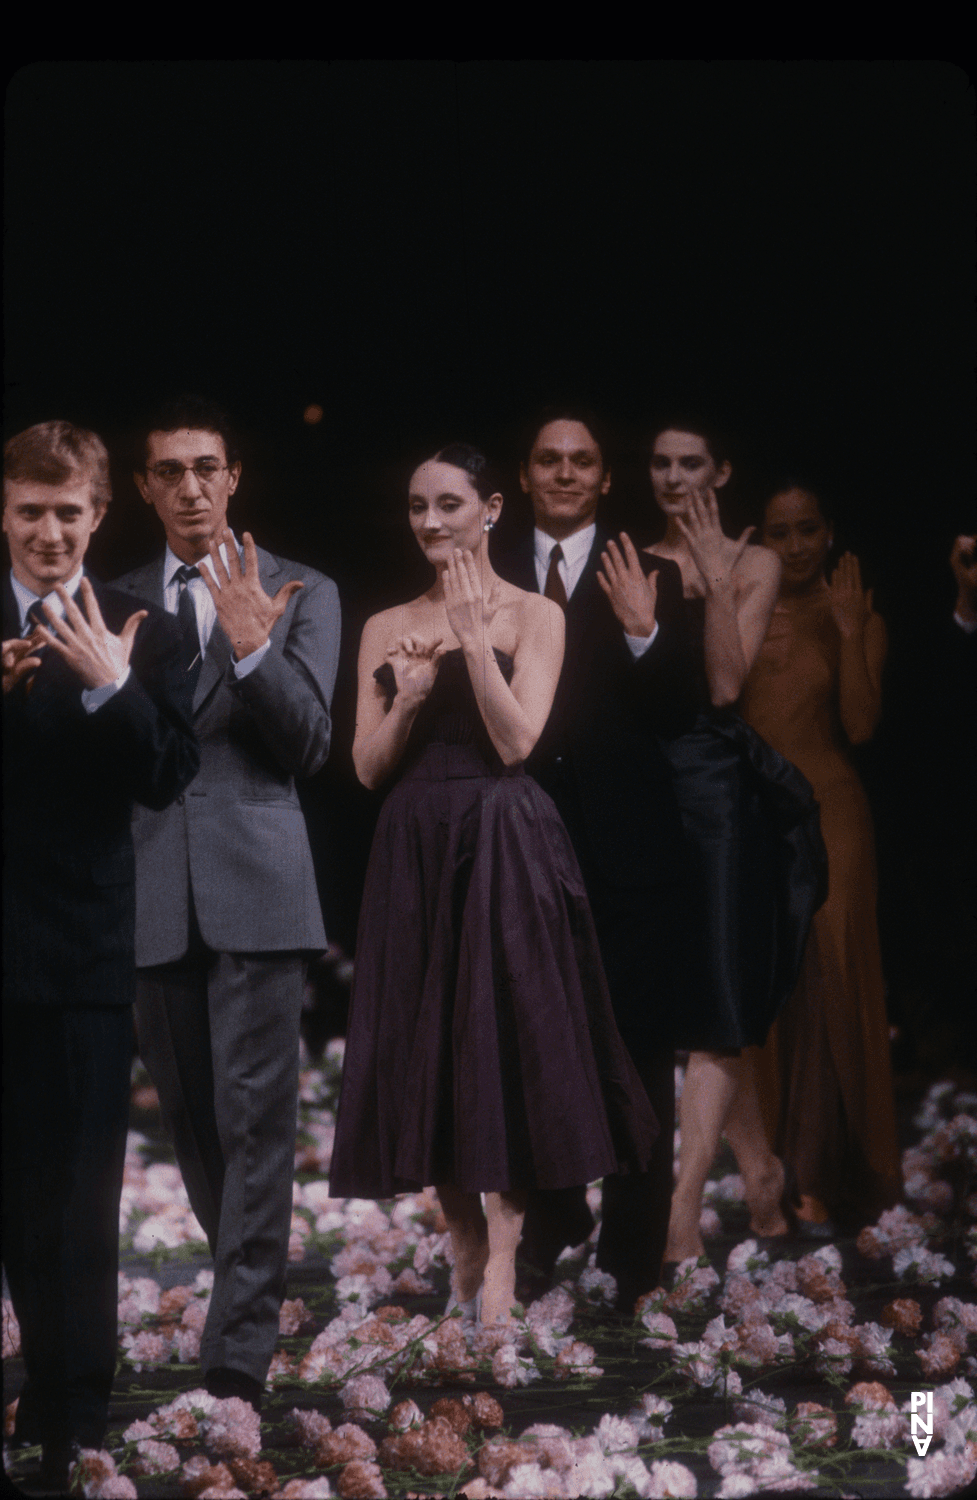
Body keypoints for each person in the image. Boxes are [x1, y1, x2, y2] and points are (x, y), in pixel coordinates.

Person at [327, 443, 658, 1327]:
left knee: (500, 1041)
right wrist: (406, 696)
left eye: (447, 504)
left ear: (492, 509)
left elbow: (518, 744)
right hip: (416, 841)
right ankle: (463, 1237)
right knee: (425, 1040)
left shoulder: (537, 615)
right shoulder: (385, 622)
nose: (430, 522)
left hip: (504, 836)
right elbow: (363, 768)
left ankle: (506, 1257)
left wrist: (475, 647)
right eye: (415, 507)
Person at [113, 395, 341, 1408]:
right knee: (200, 1129)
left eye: (207, 467)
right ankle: (241, 1291)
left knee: (256, 1121)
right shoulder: (109, 595)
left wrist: (251, 650)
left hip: (258, 886)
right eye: (170, 471)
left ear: (234, 476)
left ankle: (237, 1349)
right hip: (152, 890)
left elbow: (309, 748)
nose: (191, 487)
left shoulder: (303, 589)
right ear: (144, 486)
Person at [2, 420, 198, 1490]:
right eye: (28, 512)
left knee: (75, 1200)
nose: (47, 532)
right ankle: (33, 1385)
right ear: (2, 511)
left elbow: (167, 772)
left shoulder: (142, 625)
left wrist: (112, 687)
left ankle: (77, 1421)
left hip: (78, 957)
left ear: (98, 513)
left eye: (66, 513)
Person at [498, 410, 697, 1312]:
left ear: (604, 479)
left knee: (641, 1056)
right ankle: (547, 1225)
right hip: (526, 849)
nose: (567, 473)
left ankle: (630, 1260)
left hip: (632, 861)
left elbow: (681, 719)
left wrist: (646, 632)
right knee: (535, 1043)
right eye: (550, 459)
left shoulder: (651, 574)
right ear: (527, 474)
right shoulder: (491, 575)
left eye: (583, 461)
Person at [643, 420, 827, 1265]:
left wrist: (714, 584)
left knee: (716, 1008)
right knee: (697, 1007)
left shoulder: (754, 562)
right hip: (643, 793)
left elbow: (723, 683)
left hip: (715, 791)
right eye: (661, 463)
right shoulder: (632, 560)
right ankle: (759, 1171)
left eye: (691, 463)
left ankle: (681, 1212)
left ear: (720, 471)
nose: (675, 477)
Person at [741, 484, 900, 1229]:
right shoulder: (745, 607)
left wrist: (845, 631)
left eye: (809, 529)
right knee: (776, 984)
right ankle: (782, 1165)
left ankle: (836, 1172)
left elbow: (862, 726)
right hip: (760, 814)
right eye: (781, 532)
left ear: (829, 532)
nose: (797, 545)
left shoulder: (854, 613)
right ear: (761, 539)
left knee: (833, 973)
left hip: (834, 810)